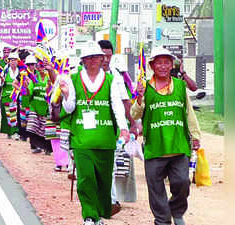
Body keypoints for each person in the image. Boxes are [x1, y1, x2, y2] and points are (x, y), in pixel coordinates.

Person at [60, 41, 130, 225]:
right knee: (85, 179)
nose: (92, 61)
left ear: (102, 59)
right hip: (81, 138)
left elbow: (117, 106)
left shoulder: (111, 80)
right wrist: (66, 95)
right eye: (88, 58)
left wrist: (124, 128)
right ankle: (89, 216)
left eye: (96, 58)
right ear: (82, 60)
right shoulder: (73, 79)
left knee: (104, 180)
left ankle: (98, 214)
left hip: (105, 138)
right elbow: (69, 109)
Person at [131, 46, 201, 225]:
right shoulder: (145, 87)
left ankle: (177, 211)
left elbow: (188, 112)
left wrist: (195, 135)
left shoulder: (179, 86)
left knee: (182, 182)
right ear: (152, 66)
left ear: (172, 65)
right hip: (155, 147)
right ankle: (162, 220)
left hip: (178, 145)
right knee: (156, 189)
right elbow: (134, 114)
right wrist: (139, 98)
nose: (163, 66)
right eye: (159, 63)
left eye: (166, 62)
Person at [98, 40, 138, 216]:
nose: (106, 59)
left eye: (108, 56)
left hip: (112, 128)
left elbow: (125, 101)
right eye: (103, 56)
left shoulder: (116, 76)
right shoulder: (82, 75)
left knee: (111, 164)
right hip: (89, 129)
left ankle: (111, 201)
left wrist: (133, 123)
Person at [24, 57, 55, 155]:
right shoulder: (33, 78)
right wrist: (26, 87)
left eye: (43, 66)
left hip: (46, 108)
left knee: (45, 129)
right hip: (35, 106)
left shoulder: (50, 77)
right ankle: (35, 146)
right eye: (39, 66)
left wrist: (49, 86)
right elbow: (29, 92)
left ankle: (47, 148)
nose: (41, 68)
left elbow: (51, 93)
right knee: (32, 127)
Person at [0, 52, 20, 140]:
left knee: (15, 114)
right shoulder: (5, 70)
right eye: (11, 60)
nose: (13, 62)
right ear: (9, 61)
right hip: (6, 95)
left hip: (16, 96)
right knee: (7, 114)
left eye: (15, 60)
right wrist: (2, 80)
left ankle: (16, 132)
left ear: (18, 61)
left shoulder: (21, 71)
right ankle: (9, 132)